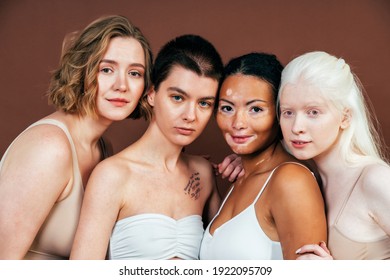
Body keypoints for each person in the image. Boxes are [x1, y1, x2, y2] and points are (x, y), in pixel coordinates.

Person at [0, 15, 153, 260]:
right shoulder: (50, 148)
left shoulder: (103, 149)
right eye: (106, 69)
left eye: (135, 73)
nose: (121, 85)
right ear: (81, 71)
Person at [70, 34, 232, 260]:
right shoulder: (113, 175)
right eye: (177, 97)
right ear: (152, 94)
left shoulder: (202, 173)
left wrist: (247, 166)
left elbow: (227, 258)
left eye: (204, 103)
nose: (190, 116)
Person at [199, 53, 327, 260]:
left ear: (278, 113)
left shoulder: (291, 181)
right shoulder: (241, 177)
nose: (238, 123)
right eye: (227, 108)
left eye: (256, 109)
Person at [278, 51, 390, 260]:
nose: (297, 127)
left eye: (313, 112)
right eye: (288, 112)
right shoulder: (304, 175)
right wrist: (244, 161)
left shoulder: (375, 179)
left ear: (345, 117)